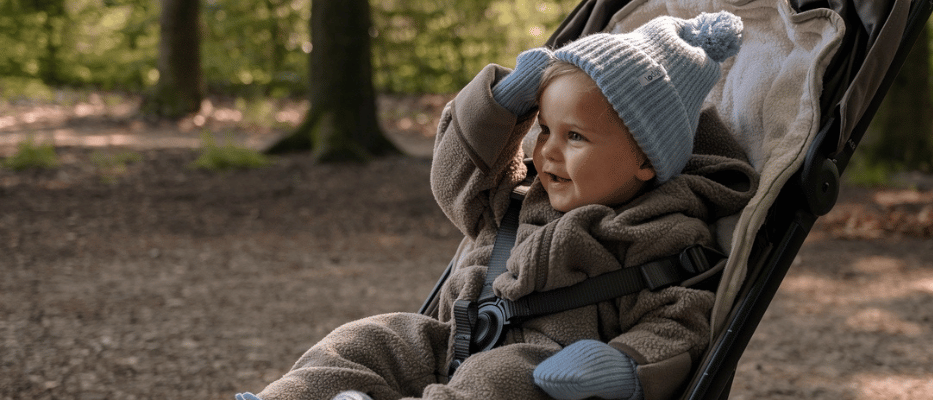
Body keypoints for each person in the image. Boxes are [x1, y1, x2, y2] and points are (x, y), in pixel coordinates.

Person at [237, 11, 757, 400]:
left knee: (501, 377)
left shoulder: (661, 231)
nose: (546, 150)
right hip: (451, 341)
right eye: (544, 128)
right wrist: (501, 103)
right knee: (369, 338)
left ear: (646, 160)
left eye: (574, 136)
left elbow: (684, 320)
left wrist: (622, 362)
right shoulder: (516, 201)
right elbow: (453, 178)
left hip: (541, 373)